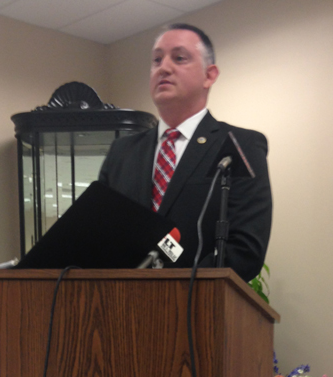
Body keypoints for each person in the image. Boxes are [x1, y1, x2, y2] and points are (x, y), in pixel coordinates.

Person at [99, 23, 272, 281]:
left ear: (209, 75)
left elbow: (245, 250)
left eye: (179, 58)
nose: (164, 67)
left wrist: (178, 293)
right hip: (121, 308)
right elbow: (100, 236)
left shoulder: (239, 146)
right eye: (157, 60)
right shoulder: (121, 152)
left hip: (196, 310)